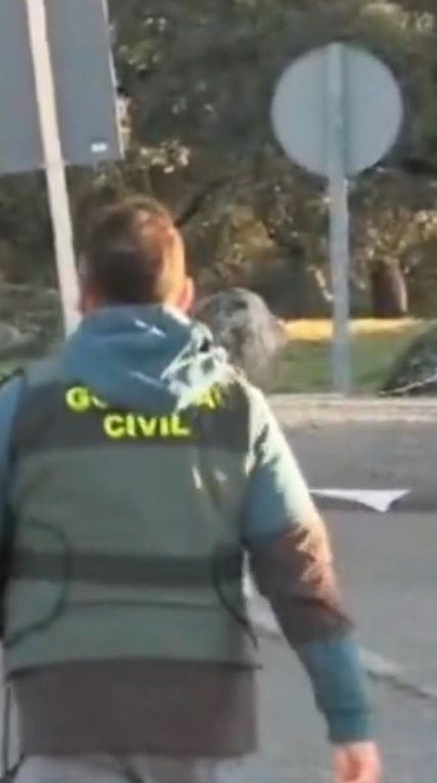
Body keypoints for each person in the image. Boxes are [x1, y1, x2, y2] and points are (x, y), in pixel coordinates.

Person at [0, 198, 381, 783]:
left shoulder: (27, 403)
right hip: (197, 706)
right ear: (184, 297)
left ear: (86, 298)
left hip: (64, 698)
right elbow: (302, 575)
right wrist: (349, 720)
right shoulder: (237, 411)